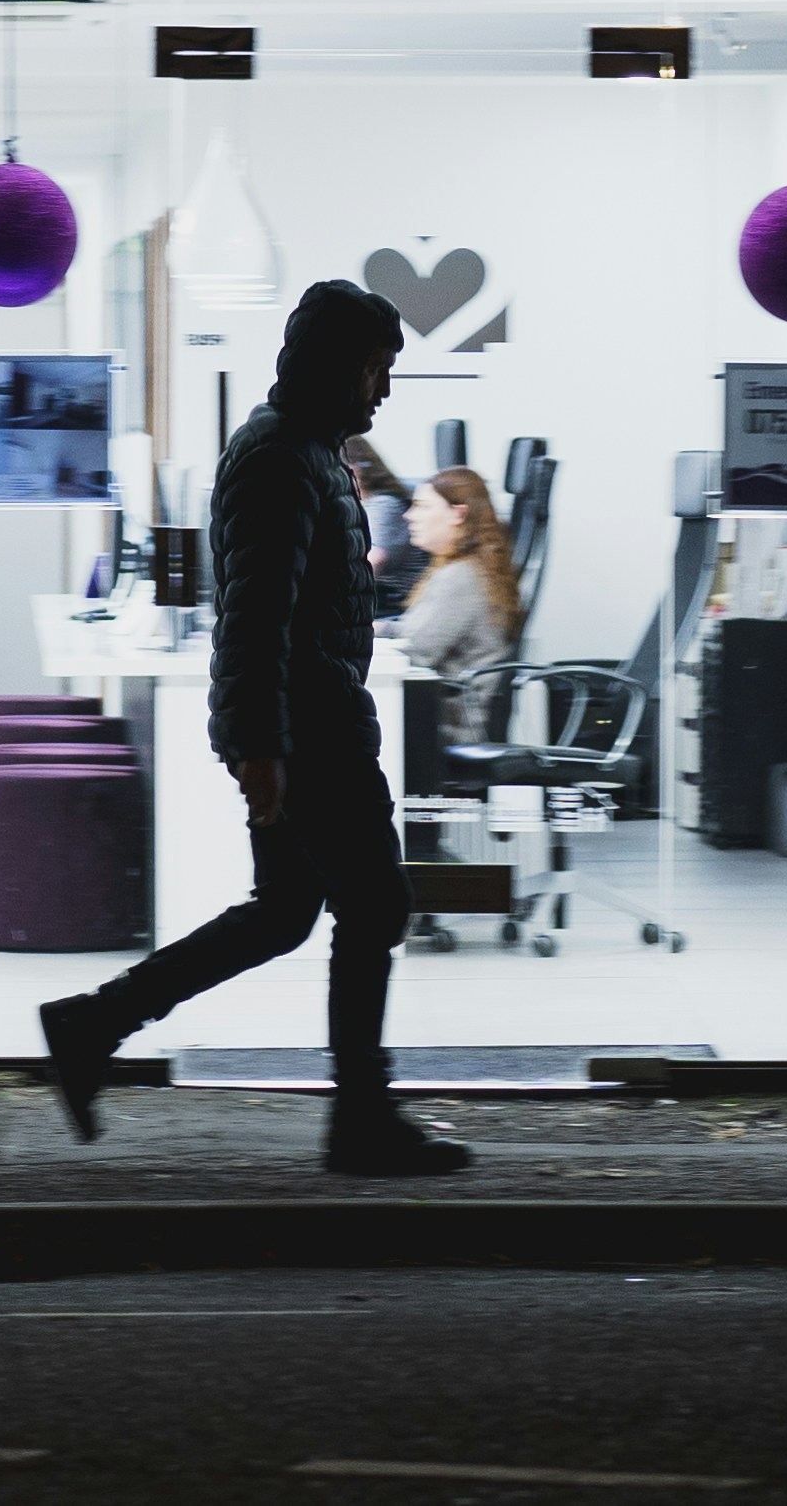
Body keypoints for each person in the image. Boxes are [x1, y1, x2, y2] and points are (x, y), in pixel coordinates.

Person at [38, 280, 467, 1176]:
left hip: (311, 718)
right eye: (375, 368)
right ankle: (359, 1123)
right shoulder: (281, 458)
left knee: (283, 913)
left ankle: (93, 1023)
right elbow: (254, 620)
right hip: (311, 730)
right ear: (334, 365)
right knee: (372, 907)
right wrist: (258, 748)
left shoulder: (305, 452)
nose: (383, 389)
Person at [392, 464, 523, 723]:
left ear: (458, 514)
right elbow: (416, 633)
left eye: (423, 506)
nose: (410, 516)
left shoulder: (460, 577)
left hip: (450, 724)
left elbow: (417, 650)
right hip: (448, 715)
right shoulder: (464, 569)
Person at [344, 436, 427, 613]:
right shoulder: (359, 506)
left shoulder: (384, 504)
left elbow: (373, 561)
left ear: (357, 469)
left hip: (395, 602)